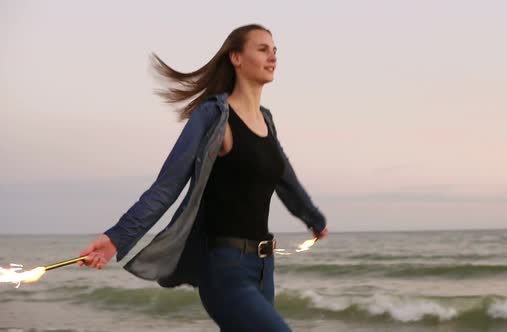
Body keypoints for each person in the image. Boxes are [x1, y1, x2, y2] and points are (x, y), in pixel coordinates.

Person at [77, 23, 329, 331]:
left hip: (264, 269)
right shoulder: (213, 116)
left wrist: (314, 218)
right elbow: (165, 187)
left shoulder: (267, 121)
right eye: (262, 49)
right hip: (225, 270)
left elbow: (285, 179)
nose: (273, 56)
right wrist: (116, 238)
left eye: (275, 50)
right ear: (236, 57)